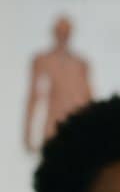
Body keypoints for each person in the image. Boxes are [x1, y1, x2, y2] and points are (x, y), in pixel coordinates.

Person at [22, 15, 93, 153]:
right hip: (52, 128)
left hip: (76, 126)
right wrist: (28, 133)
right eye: (60, 32)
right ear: (54, 33)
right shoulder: (43, 61)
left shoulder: (80, 63)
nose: (63, 36)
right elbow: (33, 97)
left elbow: (89, 97)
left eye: (66, 32)